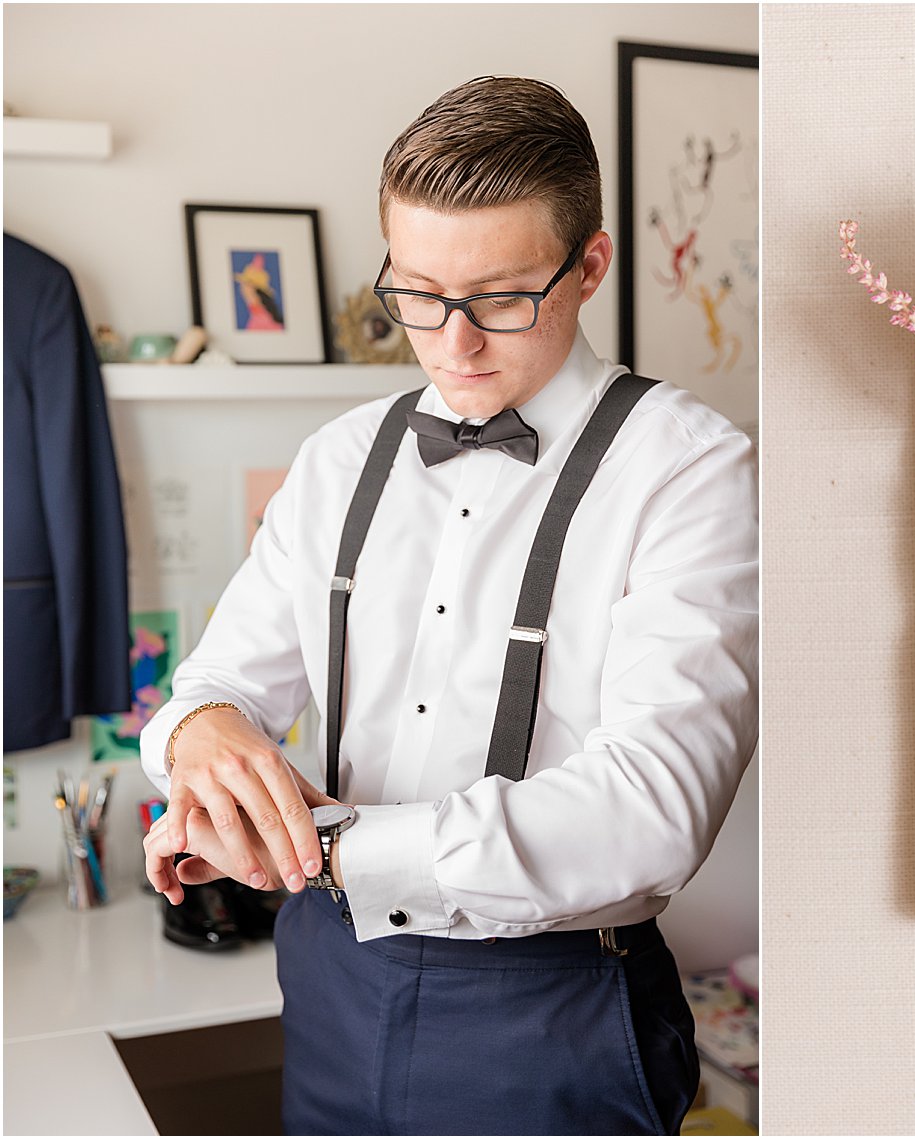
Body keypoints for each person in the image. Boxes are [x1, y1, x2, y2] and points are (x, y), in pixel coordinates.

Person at [140, 76, 757, 1136]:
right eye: (417, 294)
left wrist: (327, 845)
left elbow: (653, 809)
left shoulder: (692, 471)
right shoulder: (336, 459)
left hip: (556, 1014)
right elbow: (216, 683)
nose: (452, 343)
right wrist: (204, 747)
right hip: (331, 980)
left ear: (590, 266)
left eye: (501, 298)